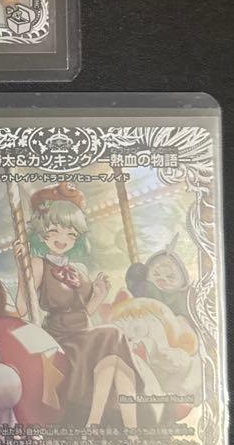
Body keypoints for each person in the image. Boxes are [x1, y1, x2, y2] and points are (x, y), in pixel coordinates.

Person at [15, 183, 141, 430]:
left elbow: (84, 313)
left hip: (85, 334)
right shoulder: (38, 265)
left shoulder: (78, 270)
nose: (62, 239)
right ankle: (100, 425)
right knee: (112, 337)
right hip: (61, 340)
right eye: (55, 230)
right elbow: (21, 309)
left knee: (114, 358)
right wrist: (22, 272)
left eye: (70, 233)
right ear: (42, 232)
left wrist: (99, 296)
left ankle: (127, 430)